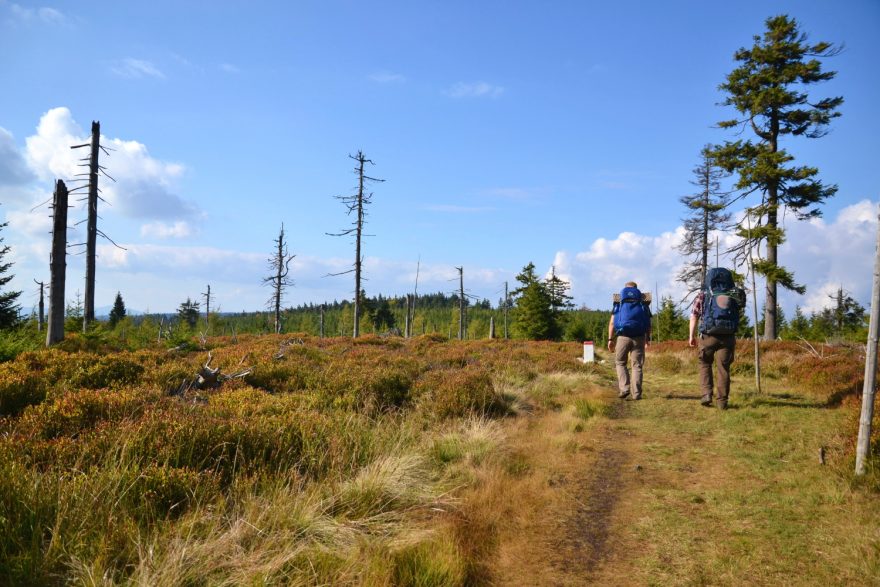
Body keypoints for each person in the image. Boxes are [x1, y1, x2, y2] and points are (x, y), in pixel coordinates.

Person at [688, 268, 742, 410]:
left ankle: (706, 394)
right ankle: (722, 402)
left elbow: (694, 315)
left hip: (708, 336)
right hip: (728, 336)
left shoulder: (704, 294)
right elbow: (739, 310)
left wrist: (691, 336)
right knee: (723, 368)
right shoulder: (734, 294)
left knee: (705, 363)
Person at [607, 281, 652, 400]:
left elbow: (612, 323)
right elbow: (648, 324)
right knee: (637, 366)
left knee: (620, 362)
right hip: (639, 337)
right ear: (637, 290)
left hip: (623, 336)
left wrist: (610, 339)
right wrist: (647, 339)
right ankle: (636, 394)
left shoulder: (619, 302)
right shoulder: (643, 302)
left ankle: (625, 388)